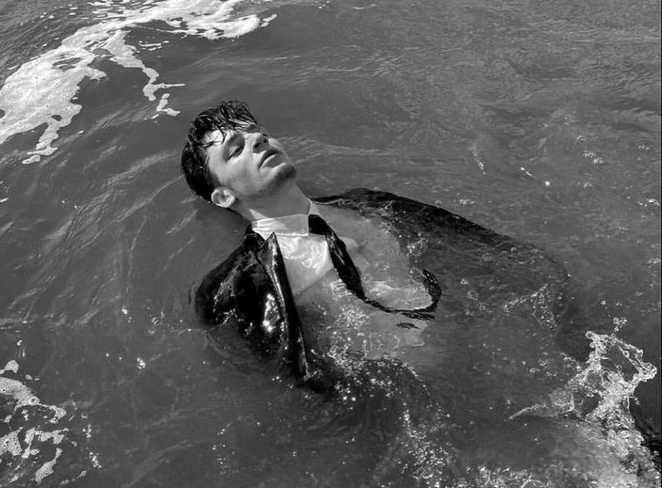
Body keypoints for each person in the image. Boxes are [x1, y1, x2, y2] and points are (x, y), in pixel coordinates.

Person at [181, 100, 573, 391]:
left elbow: (469, 242)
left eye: (258, 132)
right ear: (223, 197)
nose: (257, 141)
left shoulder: (367, 205)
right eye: (236, 149)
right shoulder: (241, 283)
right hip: (422, 387)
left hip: (491, 338)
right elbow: (290, 370)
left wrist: (540, 271)